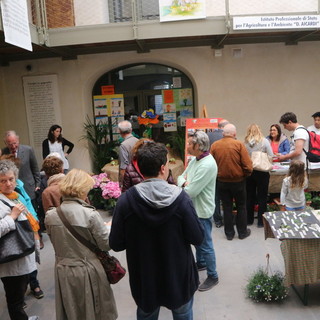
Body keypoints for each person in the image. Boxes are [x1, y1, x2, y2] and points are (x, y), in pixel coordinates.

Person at [109, 142, 204, 320]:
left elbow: (116, 244)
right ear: (162, 168)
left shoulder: (126, 201)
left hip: (145, 278)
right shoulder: (181, 199)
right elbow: (198, 238)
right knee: (183, 313)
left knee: (146, 314)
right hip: (178, 277)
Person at [45, 169, 117, 320]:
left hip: (63, 269)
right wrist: (108, 228)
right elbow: (105, 245)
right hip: (87, 269)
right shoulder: (90, 214)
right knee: (94, 310)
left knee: (72, 310)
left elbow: (56, 243)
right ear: (82, 189)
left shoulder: (51, 216)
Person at [178, 130, 219, 291]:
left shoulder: (207, 164)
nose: (187, 146)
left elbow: (191, 192)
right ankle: (201, 263)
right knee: (199, 241)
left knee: (205, 244)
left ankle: (213, 275)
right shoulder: (196, 160)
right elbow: (181, 176)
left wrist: (185, 184)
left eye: (189, 143)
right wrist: (184, 182)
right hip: (194, 208)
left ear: (199, 146)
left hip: (201, 210)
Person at [0, 160, 39, 320]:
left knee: (19, 294)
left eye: (11, 179)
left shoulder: (15, 196)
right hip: (11, 260)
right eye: (3, 181)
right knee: (15, 299)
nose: (8, 184)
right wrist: (12, 216)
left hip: (21, 256)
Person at [210, 124, 253, 240]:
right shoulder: (238, 144)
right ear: (234, 134)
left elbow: (211, 165)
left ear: (223, 133)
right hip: (238, 181)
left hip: (222, 182)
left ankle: (229, 234)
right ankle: (242, 232)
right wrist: (246, 174)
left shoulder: (215, 145)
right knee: (241, 206)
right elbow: (248, 165)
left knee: (227, 207)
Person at [244, 124, 273, 227]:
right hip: (262, 172)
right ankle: (261, 222)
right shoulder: (264, 141)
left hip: (250, 172)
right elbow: (271, 155)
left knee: (249, 196)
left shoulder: (245, 142)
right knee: (262, 197)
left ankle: (249, 220)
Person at [2, 131, 41, 205]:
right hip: (12, 190)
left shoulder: (28, 150)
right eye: (10, 144)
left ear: (18, 140)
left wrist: (38, 185)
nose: (13, 146)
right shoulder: (3, 152)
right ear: (6, 143)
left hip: (28, 188)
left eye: (15, 143)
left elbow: (35, 169)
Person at [207, 119, 229, 228]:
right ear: (225, 127)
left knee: (215, 196)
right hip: (224, 170)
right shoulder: (227, 137)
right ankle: (227, 218)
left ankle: (217, 220)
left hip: (212, 170)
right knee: (226, 195)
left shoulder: (208, 135)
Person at [118, 120, 139, 187]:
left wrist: (122, 183)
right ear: (131, 130)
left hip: (130, 179)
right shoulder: (139, 141)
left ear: (120, 131)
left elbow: (123, 167)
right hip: (141, 176)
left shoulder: (123, 145)